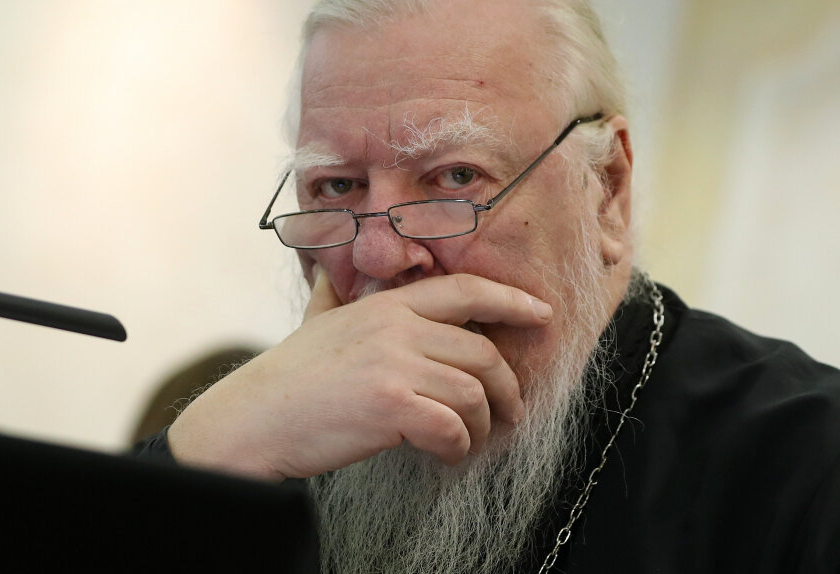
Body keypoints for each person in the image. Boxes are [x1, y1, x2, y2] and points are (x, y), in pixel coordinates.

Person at [135, 0, 840, 572]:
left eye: (455, 177)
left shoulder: (808, 467)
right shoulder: (263, 447)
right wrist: (200, 457)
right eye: (338, 186)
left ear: (606, 189)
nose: (378, 256)